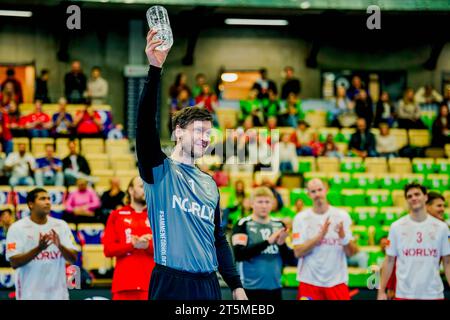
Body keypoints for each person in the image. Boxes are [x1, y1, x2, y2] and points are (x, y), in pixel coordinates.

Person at [135, 29, 246, 300]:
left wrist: (236, 284)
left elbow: (218, 238)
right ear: (178, 132)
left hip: (208, 285)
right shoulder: (159, 171)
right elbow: (144, 127)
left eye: (208, 133)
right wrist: (154, 69)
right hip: (171, 283)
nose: (205, 138)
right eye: (198, 131)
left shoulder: (209, 184)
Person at [377, 183, 450, 300]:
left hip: (433, 294)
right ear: (406, 200)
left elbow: (447, 263)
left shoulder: (442, 228)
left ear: (425, 197)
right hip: (404, 294)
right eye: (409, 196)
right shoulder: (396, 226)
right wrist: (381, 291)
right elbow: (389, 260)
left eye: (417, 194)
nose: (413, 198)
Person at [5, 188, 78, 300]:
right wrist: (39, 249)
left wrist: (60, 246)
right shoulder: (17, 228)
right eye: (42, 199)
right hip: (29, 294)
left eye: (49, 198)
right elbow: (14, 263)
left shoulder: (61, 225)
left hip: (59, 295)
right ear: (31, 204)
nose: (48, 202)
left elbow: (73, 259)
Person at [292, 178, 358, 300]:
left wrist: (343, 237)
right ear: (308, 194)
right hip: (309, 281)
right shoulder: (300, 218)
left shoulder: (342, 216)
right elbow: (297, 252)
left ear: (326, 190)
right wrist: (319, 237)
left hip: (336, 282)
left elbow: (352, 252)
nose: (317, 194)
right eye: (313, 191)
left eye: (320, 190)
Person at [232, 187, 296, 300]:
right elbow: (239, 254)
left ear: (273, 204)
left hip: (275, 288)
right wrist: (268, 242)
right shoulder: (242, 224)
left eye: (267, 202)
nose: (264, 205)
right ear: (252, 203)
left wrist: (281, 245)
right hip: (249, 288)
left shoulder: (279, 225)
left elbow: (289, 259)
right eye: (260, 202)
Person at [103, 176, 155, 300]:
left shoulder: (157, 216)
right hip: (123, 285)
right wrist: (131, 245)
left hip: (151, 285)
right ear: (131, 190)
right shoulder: (116, 215)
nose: (146, 190)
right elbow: (108, 250)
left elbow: (168, 251)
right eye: (142, 186)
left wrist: (147, 246)